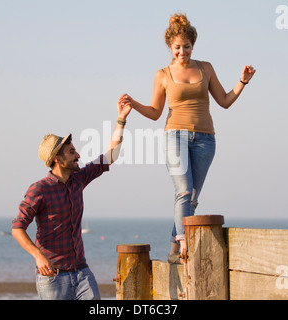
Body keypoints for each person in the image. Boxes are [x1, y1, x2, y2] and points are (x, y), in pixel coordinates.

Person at [119, 13, 256, 264]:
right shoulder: (162, 74)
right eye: (178, 47)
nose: (183, 51)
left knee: (191, 197)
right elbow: (155, 112)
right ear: (170, 48)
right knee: (183, 190)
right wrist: (133, 104)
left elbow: (224, 101)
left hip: (206, 139)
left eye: (187, 46)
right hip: (175, 136)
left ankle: (173, 249)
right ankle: (183, 243)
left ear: (193, 45)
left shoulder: (206, 68)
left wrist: (242, 82)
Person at [11, 98, 131, 300]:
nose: (78, 155)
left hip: (82, 272)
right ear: (58, 160)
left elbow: (111, 155)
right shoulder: (39, 189)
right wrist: (38, 256)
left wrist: (121, 119)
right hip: (53, 277)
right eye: (72, 152)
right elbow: (17, 228)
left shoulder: (78, 179)